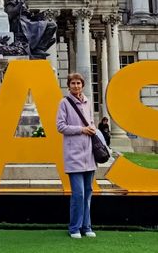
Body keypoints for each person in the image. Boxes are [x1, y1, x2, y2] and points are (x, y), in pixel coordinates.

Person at [56, 72, 97, 239]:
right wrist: (81, 130)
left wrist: (92, 128)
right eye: (73, 83)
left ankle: (86, 226)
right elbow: (60, 126)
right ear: (69, 85)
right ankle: (74, 227)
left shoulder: (87, 102)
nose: (76, 86)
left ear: (83, 85)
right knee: (78, 194)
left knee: (88, 193)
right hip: (74, 155)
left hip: (89, 154)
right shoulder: (64, 103)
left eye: (78, 83)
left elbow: (91, 122)